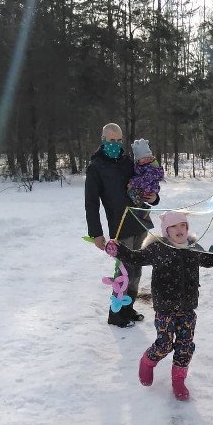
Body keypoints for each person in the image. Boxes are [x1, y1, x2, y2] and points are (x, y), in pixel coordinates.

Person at [105, 211, 213, 401]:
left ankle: (179, 380)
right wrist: (118, 250)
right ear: (166, 231)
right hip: (165, 306)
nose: (180, 229)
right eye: (175, 226)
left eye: (183, 225)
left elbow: (209, 260)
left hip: (188, 306)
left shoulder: (193, 247)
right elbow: (136, 258)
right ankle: (147, 361)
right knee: (164, 344)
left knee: (185, 346)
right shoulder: (158, 248)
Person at [85, 123, 159, 328]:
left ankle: (128, 307)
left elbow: (144, 183)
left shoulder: (127, 162)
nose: (115, 145)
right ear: (103, 140)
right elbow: (91, 203)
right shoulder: (95, 167)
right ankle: (116, 313)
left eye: (119, 141)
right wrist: (96, 234)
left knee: (137, 268)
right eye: (111, 141)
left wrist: (153, 198)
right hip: (119, 226)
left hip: (140, 219)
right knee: (124, 270)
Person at [128, 139, 164, 221]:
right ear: (137, 159)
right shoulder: (138, 167)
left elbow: (145, 179)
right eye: (143, 158)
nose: (146, 159)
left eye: (148, 157)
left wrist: (133, 183)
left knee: (135, 197)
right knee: (135, 197)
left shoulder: (150, 167)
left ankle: (143, 211)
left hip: (150, 188)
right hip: (144, 188)